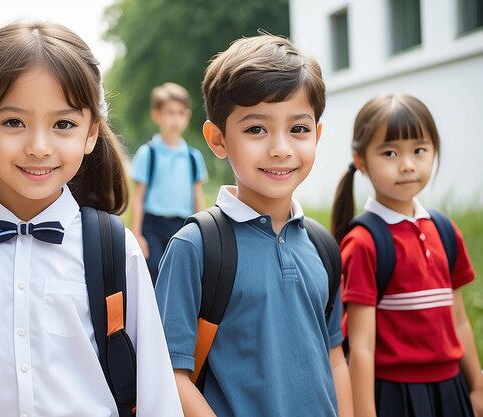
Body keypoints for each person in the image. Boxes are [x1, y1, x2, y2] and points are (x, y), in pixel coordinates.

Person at [0, 22, 182, 417]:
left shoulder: (115, 247)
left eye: (63, 124)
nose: (39, 147)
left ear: (91, 133)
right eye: (13, 122)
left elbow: (157, 395)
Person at [154, 33, 353, 417]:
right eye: (256, 130)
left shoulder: (322, 246)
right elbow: (169, 374)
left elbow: (335, 358)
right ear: (217, 139)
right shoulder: (197, 246)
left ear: (318, 134)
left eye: (298, 129)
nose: (280, 148)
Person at [331, 93, 483, 417]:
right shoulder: (364, 243)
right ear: (360, 160)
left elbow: (458, 321)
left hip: (451, 389)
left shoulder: (444, 230)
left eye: (419, 150)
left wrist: (477, 387)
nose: (408, 165)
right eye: (389, 152)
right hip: (395, 396)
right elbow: (361, 347)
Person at [130, 82, 208, 284]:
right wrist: (137, 234)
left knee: (179, 276)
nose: (175, 119)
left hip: (182, 225)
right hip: (152, 225)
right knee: (154, 271)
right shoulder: (148, 153)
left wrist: (204, 232)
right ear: (157, 115)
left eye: (180, 113)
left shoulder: (193, 157)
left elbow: (198, 198)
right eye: (169, 112)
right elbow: (138, 198)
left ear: (187, 116)